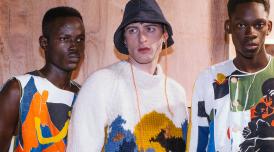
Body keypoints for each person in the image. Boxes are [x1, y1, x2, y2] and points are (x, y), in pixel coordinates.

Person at [67, 0, 188, 151]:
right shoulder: (101, 84)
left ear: (164, 36)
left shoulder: (177, 93)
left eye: (150, 29)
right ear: (124, 40)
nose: (142, 38)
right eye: (132, 30)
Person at [189, 0, 273, 151]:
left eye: (258, 25)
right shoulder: (208, 80)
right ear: (228, 26)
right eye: (241, 25)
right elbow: (197, 144)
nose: (251, 33)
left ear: (268, 27)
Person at [0, 6, 85, 151]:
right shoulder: (19, 89)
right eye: (65, 39)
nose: (74, 47)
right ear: (44, 43)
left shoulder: (84, 95)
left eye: (79, 39)